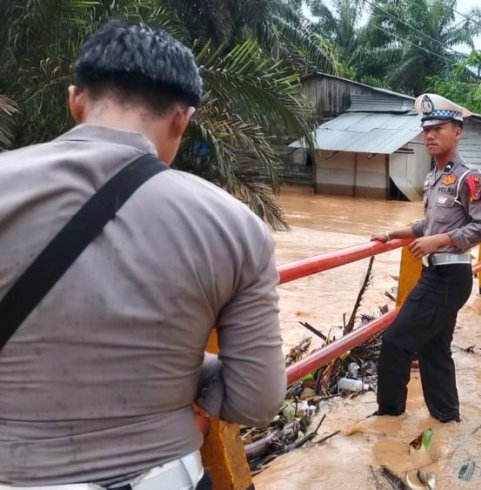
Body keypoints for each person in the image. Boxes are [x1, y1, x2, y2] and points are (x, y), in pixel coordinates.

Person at [0, 23, 285, 488]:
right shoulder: (236, 226)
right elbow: (256, 399)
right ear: (181, 119)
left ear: (75, 101)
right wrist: (178, 364)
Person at [370, 93, 481, 423]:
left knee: (395, 341)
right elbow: (430, 224)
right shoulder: (433, 177)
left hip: (450, 277)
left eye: (438, 128)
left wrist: (439, 240)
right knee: (434, 349)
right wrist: (393, 234)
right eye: (426, 129)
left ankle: (388, 417)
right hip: (435, 275)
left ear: (458, 132)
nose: (430, 135)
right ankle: (447, 418)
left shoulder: (470, 178)